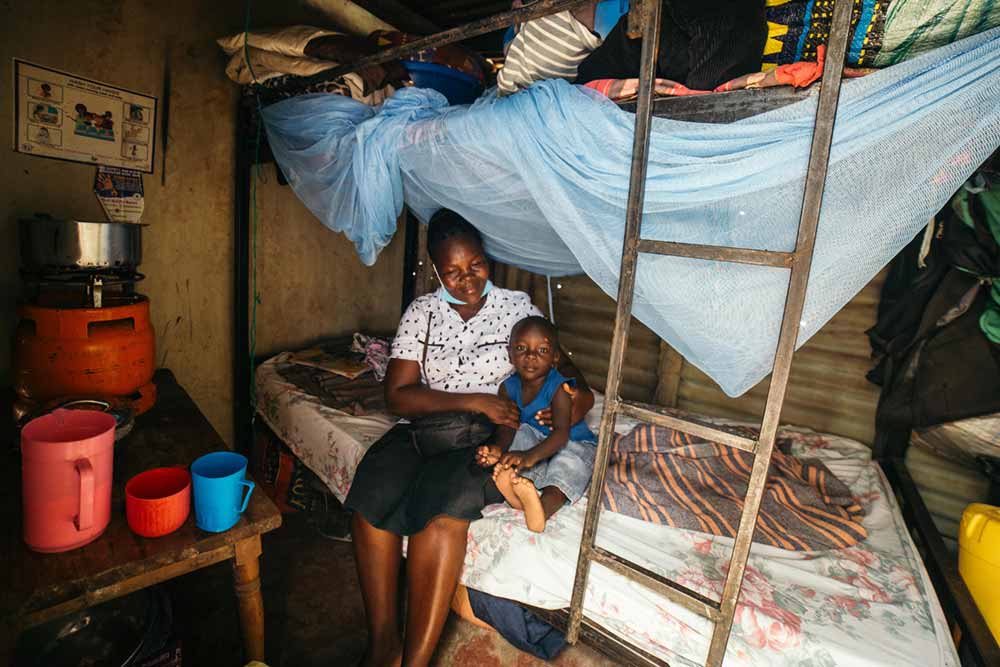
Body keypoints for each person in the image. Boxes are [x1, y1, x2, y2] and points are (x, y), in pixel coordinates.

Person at [344, 209, 593, 667]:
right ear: (436, 270)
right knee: (370, 495)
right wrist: (477, 398)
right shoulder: (423, 312)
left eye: (475, 265)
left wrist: (563, 410)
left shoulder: (517, 307)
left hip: (487, 434)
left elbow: (568, 378)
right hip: (423, 427)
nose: (467, 279)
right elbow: (398, 397)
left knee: (439, 513)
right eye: (453, 271)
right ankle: (383, 645)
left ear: (486, 258)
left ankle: (415, 661)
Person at [475, 316, 597, 533]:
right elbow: (508, 426)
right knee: (518, 437)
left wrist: (529, 456)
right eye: (521, 348)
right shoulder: (508, 388)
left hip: (571, 440)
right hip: (538, 443)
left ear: (555, 358)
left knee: (568, 465)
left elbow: (561, 434)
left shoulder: (559, 387)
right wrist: (498, 449)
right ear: (509, 353)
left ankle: (543, 509)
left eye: (541, 350)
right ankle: (519, 497)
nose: (530, 356)